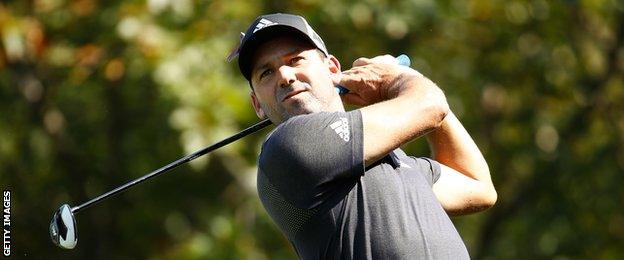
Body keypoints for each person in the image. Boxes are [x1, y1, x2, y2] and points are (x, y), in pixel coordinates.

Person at [229, 13, 497, 259]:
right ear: (257, 105)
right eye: (266, 72)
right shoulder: (288, 147)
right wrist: (398, 80)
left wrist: (408, 83)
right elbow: (430, 105)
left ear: (333, 68)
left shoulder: (395, 162)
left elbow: (478, 186)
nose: (285, 76)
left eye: (295, 60)